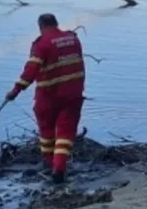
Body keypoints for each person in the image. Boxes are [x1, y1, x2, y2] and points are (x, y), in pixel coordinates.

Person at [5, 13, 86, 183]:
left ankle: (50, 166)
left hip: (49, 97)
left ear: (40, 26)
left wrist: (15, 91)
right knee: (65, 133)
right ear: (57, 23)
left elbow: (31, 71)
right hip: (73, 96)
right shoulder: (73, 39)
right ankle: (59, 169)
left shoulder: (42, 44)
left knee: (47, 133)